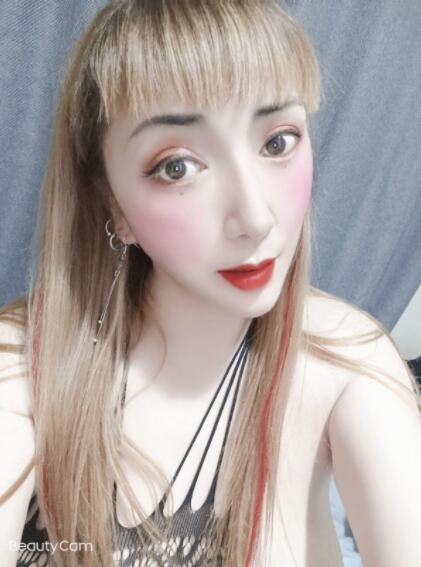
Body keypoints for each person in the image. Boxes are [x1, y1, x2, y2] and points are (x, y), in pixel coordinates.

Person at [0, 1, 420, 566]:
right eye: (176, 166)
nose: (255, 219)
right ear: (112, 204)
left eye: (278, 142)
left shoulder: (345, 365)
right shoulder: (22, 370)